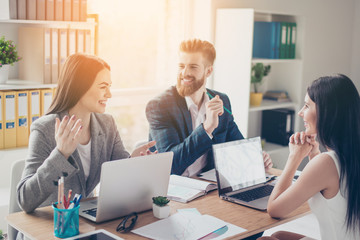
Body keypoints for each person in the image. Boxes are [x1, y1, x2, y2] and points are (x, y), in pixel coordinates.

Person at [17, 53, 156, 213]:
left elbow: (120, 177)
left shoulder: (107, 124)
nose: (109, 94)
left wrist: (134, 162)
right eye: (103, 87)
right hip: (51, 227)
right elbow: (25, 200)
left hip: (85, 221)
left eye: (109, 87)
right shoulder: (44, 129)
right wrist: (61, 154)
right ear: (80, 86)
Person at [146, 39, 272, 176]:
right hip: (173, 189)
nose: (184, 73)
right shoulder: (160, 106)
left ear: (208, 71)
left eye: (193, 67)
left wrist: (256, 157)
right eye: (181, 66)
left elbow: (238, 147)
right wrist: (207, 128)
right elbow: (170, 165)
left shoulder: (221, 101)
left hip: (207, 185)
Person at [259, 74, 360, 240]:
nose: (300, 113)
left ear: (327, 112)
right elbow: (331, 188)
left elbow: (275, 209)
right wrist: (314, 154)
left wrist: (294, 158)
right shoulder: (348, 154)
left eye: (306, 106)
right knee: (279, 235)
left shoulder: (326, 163)